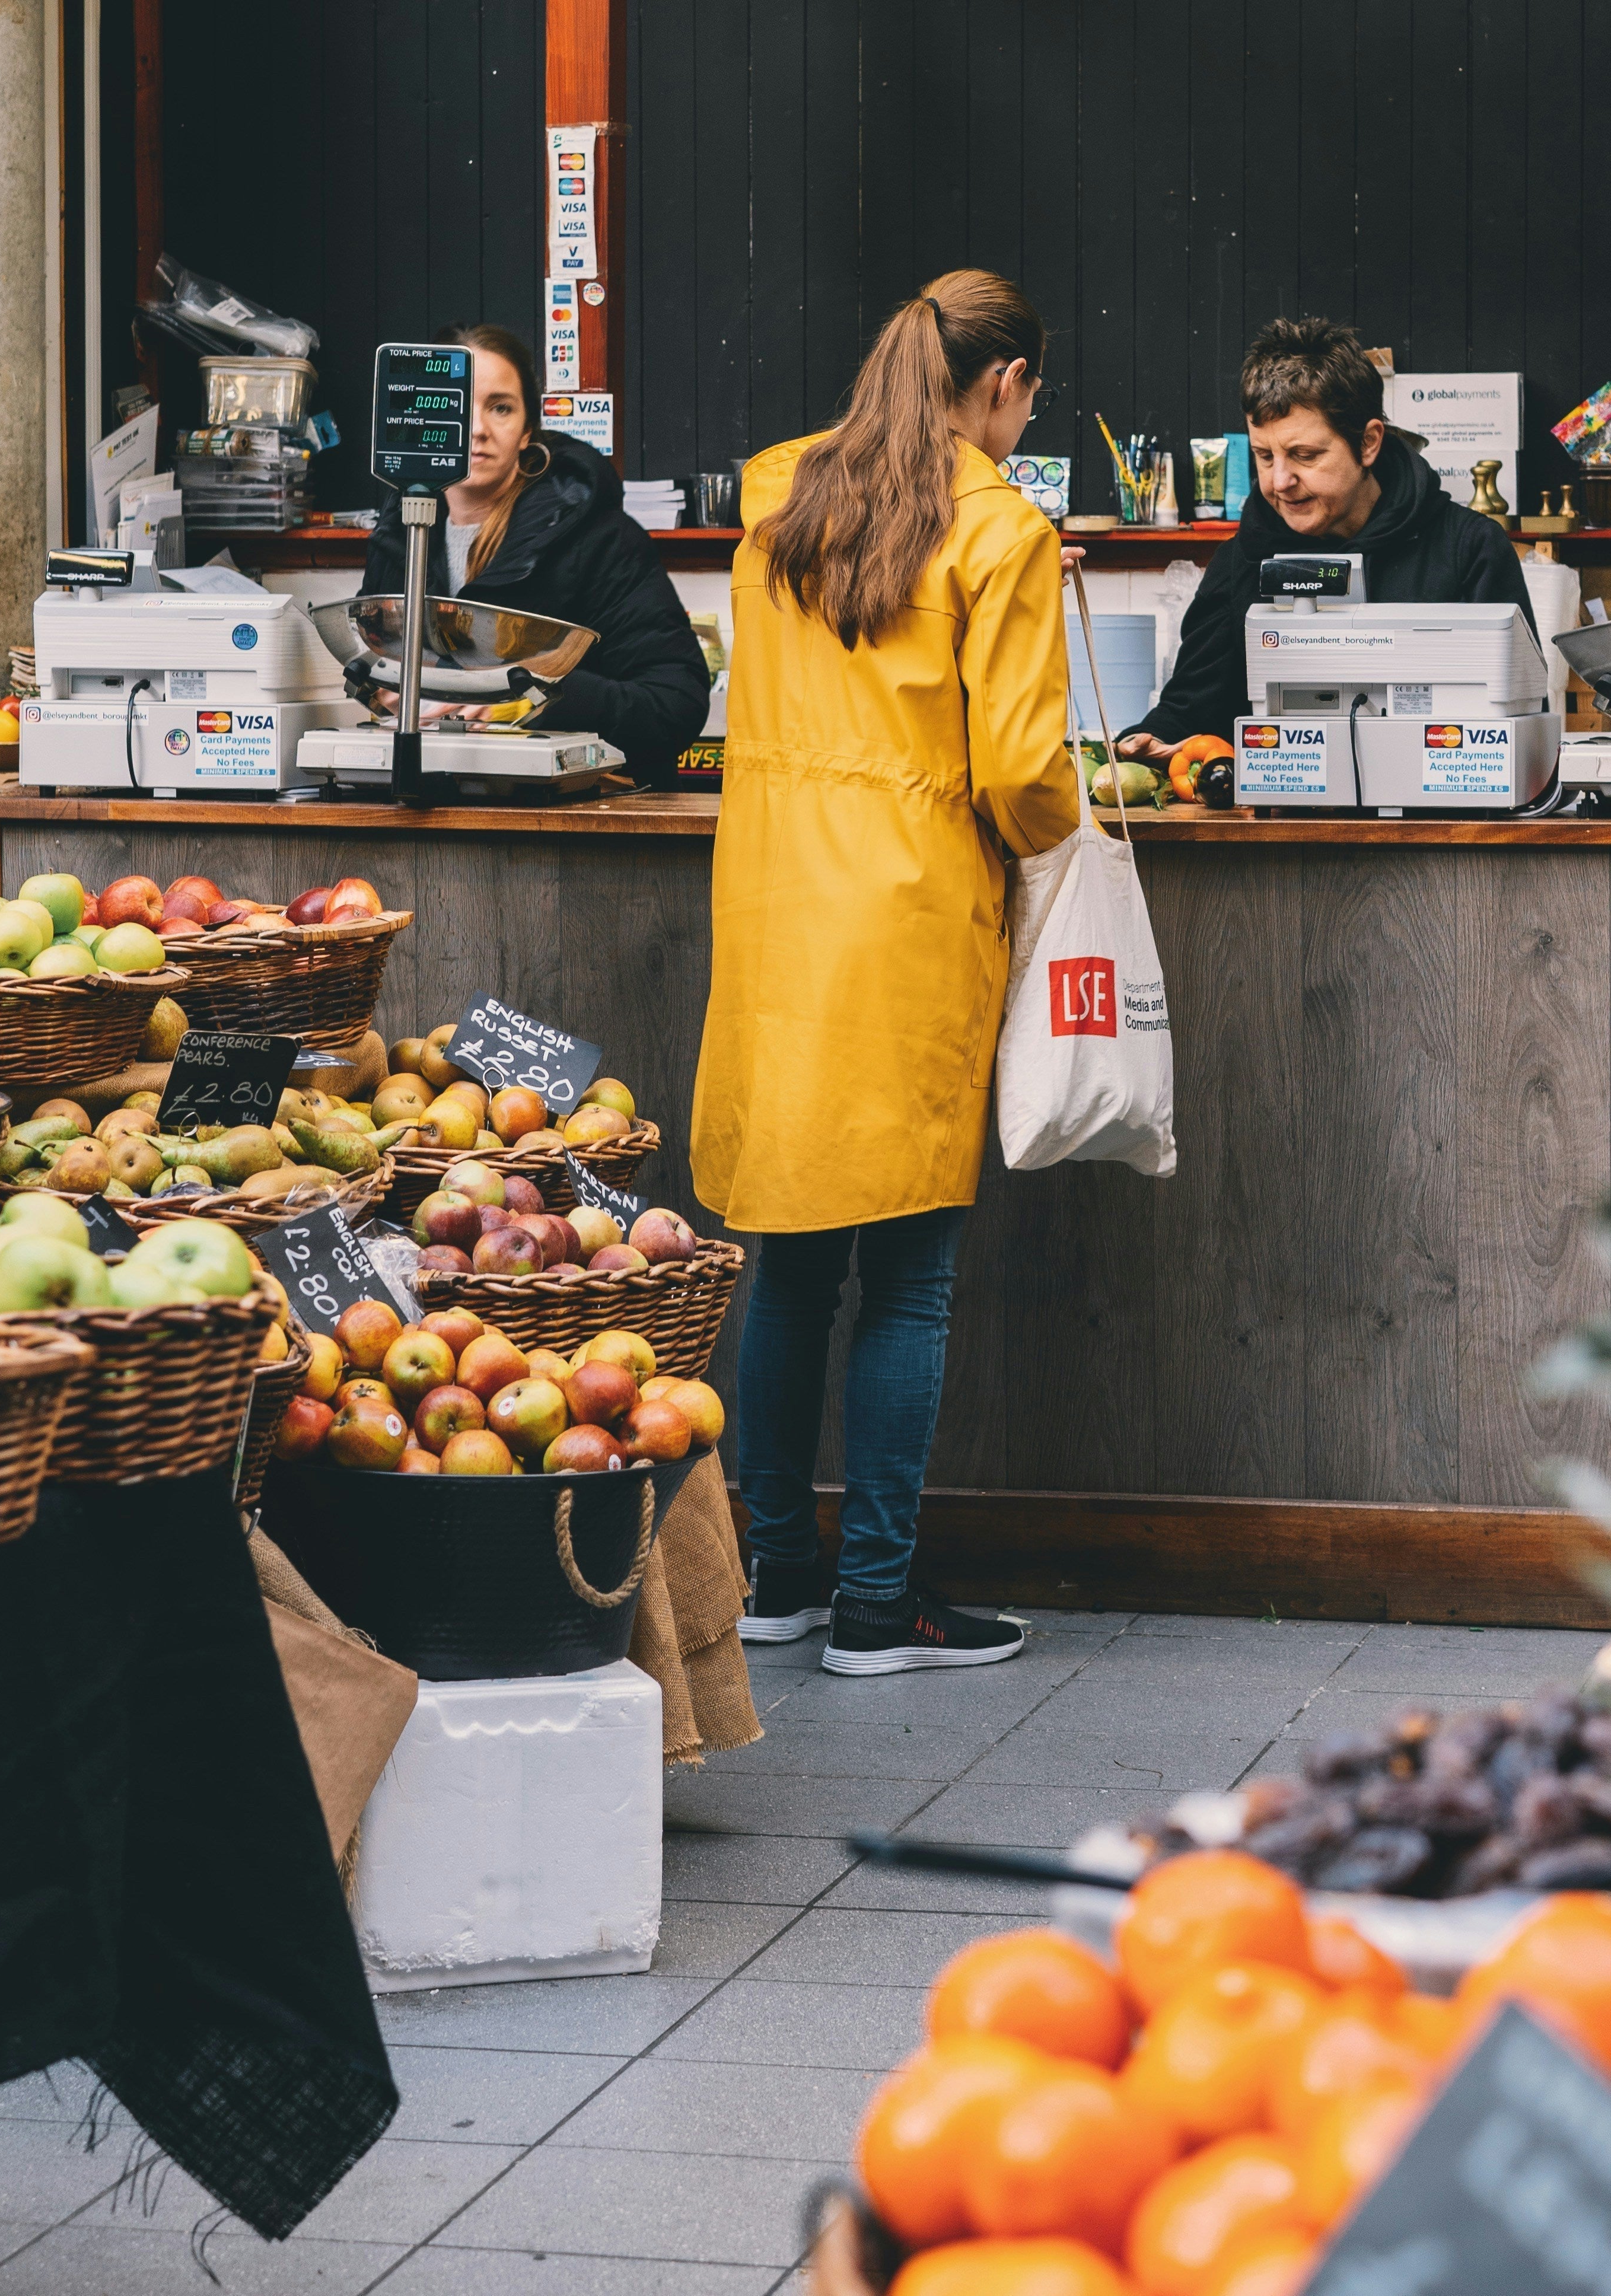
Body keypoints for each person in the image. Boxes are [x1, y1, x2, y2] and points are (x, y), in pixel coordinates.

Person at [692, 270, 1078, 1678]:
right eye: (1028, 397)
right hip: (907, 917)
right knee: (906, 1280)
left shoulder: (779, 500)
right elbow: (1027, 772)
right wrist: (1064, 837)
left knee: (789, 1265)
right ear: (1000, 384)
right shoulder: (999, 529)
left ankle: (776, 1578)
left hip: (778, 904)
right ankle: (874, 1601)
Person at [1122, 315, 1535, 760]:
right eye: (1265, 456)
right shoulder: (1242, 560)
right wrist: (1148, 741)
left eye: (1305, 455)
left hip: (1439, 821)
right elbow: (1188, 710)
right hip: (1276, 821)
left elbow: (1520, 719)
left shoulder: (1469, 550)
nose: (1280, 480)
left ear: (1369, 442)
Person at [362, 325, 709, 784]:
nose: (478, 429)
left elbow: (676, 702)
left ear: (528, 430)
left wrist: (533, 693)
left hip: (577, 821)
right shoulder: (400, 535)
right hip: (432, 809)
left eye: (500, 407)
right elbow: (372, 667)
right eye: (458, 407)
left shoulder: (601, 539)